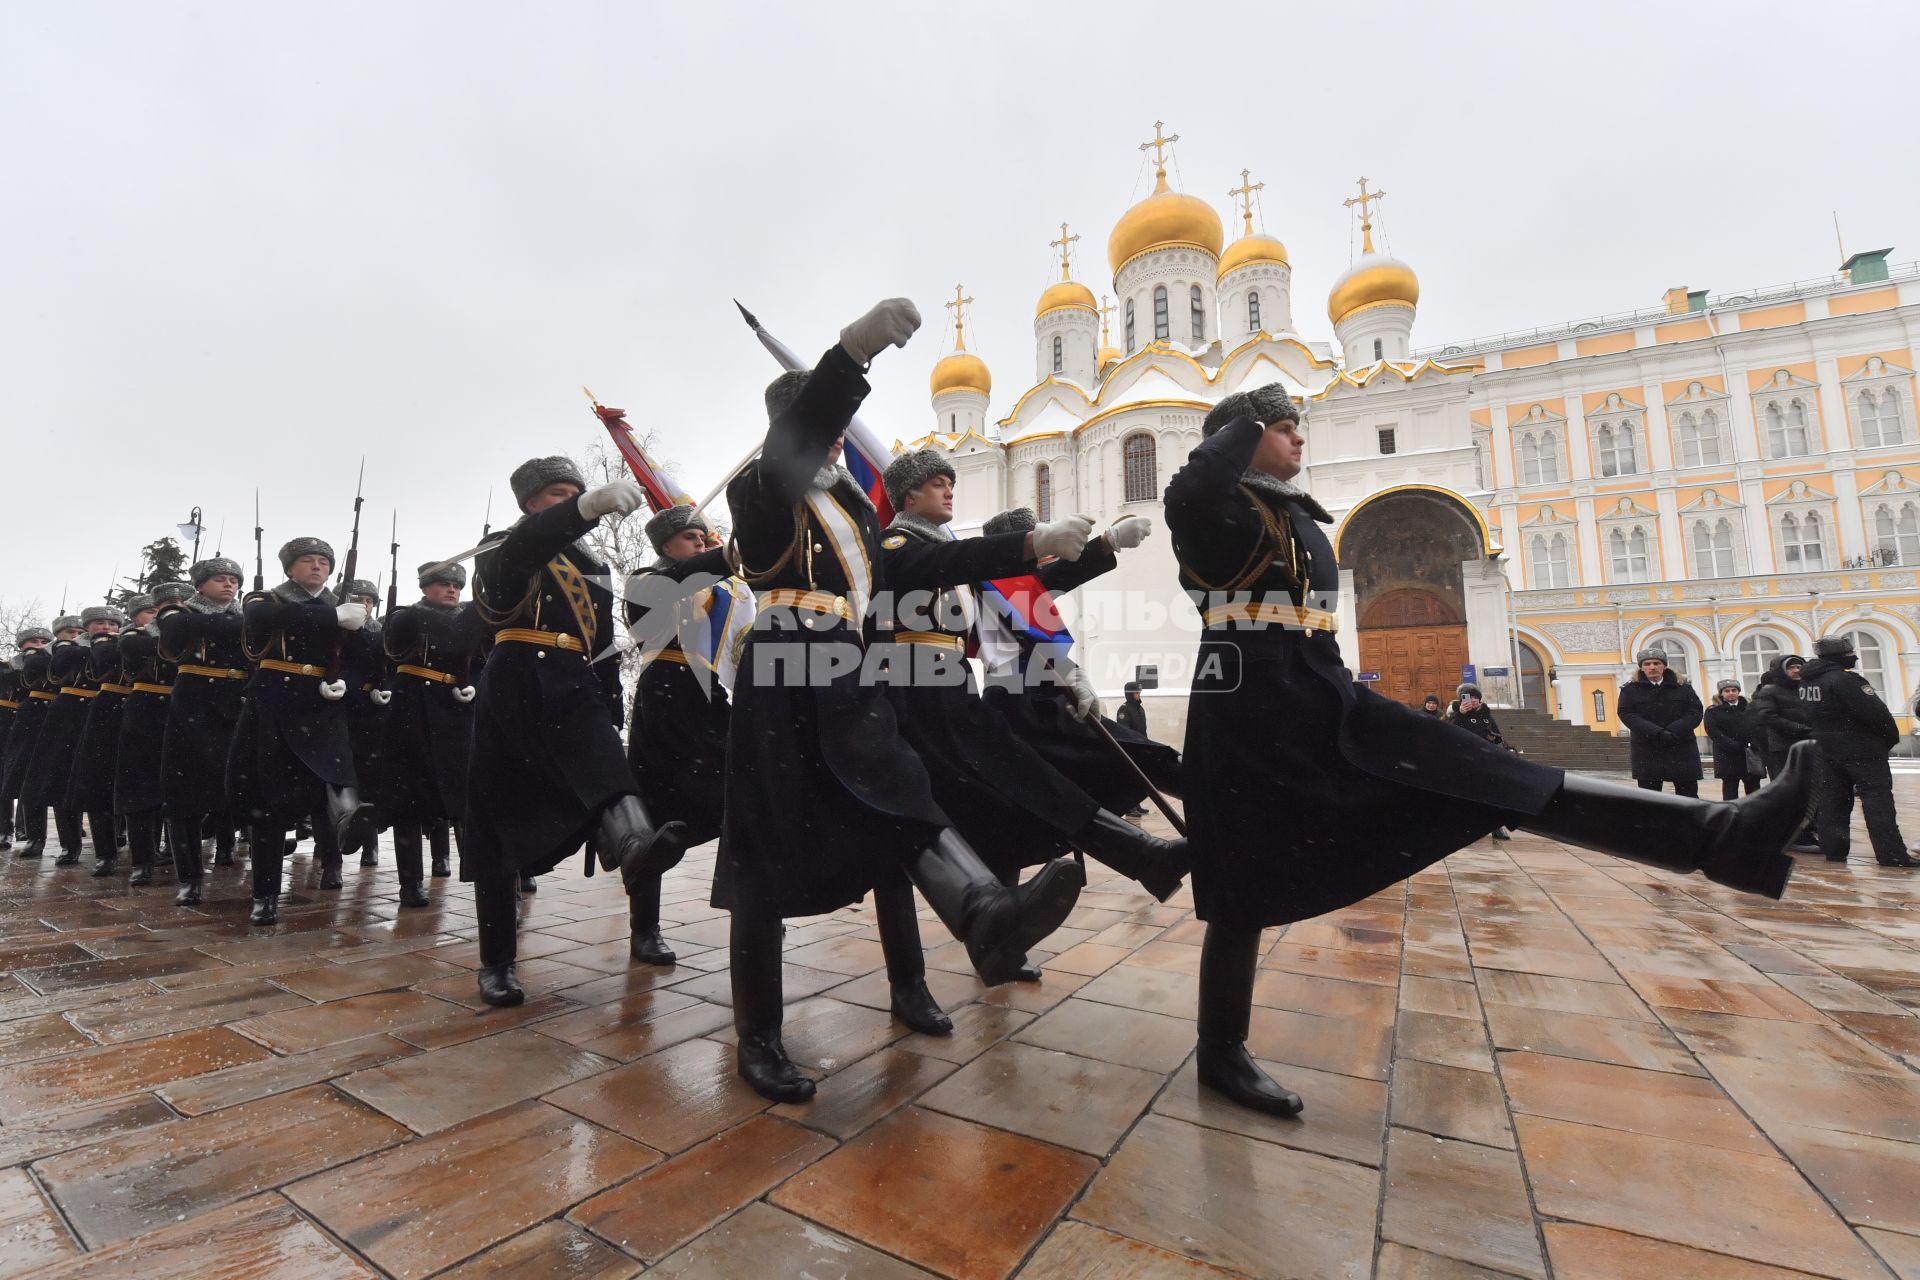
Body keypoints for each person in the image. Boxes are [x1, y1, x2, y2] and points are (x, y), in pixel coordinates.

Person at [1165, 383, 1816, 1119]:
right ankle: (1221, 1051)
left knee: (1493, 773)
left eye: (1295, 426)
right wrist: (1245, 418)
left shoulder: (1293, 514)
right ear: (1243, 439)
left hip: (1324, 691)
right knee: (1240, 883)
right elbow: (1188, 485)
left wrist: (1259, 427)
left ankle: (1720, 837)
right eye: (1283, 429)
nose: (1299, 439)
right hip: (1251, 710)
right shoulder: (1213, 510)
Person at [719, 298, 1084, 1103]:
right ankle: (759, 1036)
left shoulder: (849, 508)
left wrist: (1030, 548)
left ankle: (985, 912)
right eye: (829, 429)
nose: (841, 444)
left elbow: (926, 570)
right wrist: (849, 356)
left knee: (899, 794)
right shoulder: (760, 488)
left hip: (846, 663)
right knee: (765, 856)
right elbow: (805, 427)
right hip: (784, 664)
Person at [871, 449, 1186, 1009]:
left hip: (951, 695)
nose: (950, 492)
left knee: (1016, 797)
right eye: (938, 484)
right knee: (904, 842)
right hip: (908, 694)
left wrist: (1103, 546)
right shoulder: (898, 547)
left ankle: (1136, 859)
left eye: (951, 483)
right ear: (909, 496)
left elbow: (1026, 588)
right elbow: (977, 566)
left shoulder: (948, 555)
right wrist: (1034, 540)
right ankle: (910, 982)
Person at [466, 455, 682, 1007]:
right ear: (531, 502)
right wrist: (583, 510)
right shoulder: (500, 545)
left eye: (576, 490)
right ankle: (496, 961)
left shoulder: (589, 562)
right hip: (515, 680)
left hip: (574, 680)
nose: (570, 497)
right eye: (558, 492)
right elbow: (524, 552)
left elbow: (599, 633)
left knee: (613, 776)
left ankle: (637, 848)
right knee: (500, 822)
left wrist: (610, 697)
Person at [975, 507, 1182, 818]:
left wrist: (1107, 543)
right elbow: (1051, 583)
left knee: (1135, 759)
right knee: (1049, 799)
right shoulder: (995, 586)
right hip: (1019, 703)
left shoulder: (1025, 589)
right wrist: (1107, 542)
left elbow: (1051, 580)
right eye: (1036, 546)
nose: (1042, 560)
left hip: (1042, 698)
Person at [624, 503, 749, 966]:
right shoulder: (647, 581)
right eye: (691, 537)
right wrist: (736, 546)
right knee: (655, 817)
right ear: (665, 546)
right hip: (666, 699)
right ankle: (645, 928)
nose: (702, 543)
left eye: (704, 537)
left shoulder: (721, 589)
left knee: (740, 802)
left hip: (710, 695)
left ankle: (752, 907)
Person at [230, 538, 378, 924]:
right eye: (307, 562)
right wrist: (332, 618)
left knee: (332, 777)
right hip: (275, 702)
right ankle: (265, 894)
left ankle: (345, 828)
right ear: (290, 569)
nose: (317, 568)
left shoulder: (341, 607)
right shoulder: (266, 599)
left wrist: (345, 679)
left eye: (323, 563)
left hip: (323, 706)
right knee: (269, 802)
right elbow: (263, 622)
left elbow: (365, 658)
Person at [380, 561, 485, 908]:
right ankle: (410, 882)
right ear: (425, 588)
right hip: (413, 709)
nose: (452, 590)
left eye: (457, 585)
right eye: (442, 584)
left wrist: (476, 686)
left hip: (457, 710)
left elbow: (489, 658)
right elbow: (400, 635)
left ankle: (482, 873)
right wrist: (475, 614)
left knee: (467, 800)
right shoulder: (407, 616)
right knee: (408, 800)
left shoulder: (469, 618)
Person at [158, 557, 249, 904]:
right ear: (200, 586)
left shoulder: (246, 615)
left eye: (233, 580)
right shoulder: (179, 615)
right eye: (220, 579)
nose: (229, 585)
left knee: (243, 782)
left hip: (239, 700)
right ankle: (190, 878)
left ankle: (246, 845)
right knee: (184, 792)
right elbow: (174, 634)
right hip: (195, 703)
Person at [1799, 634, 1917, 868]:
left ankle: (1834, 849)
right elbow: (1876, 714)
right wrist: (1889, 738)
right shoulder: (1845, 681)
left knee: (1833, 800)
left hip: (1827, 748)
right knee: (1877, 799)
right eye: (1850, 652)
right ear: (1840, 656)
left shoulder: (1808, 682)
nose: (1854, 656)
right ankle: (1891, 854)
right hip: (1861, 749)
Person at [117, 584, 190, 886]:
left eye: (178, 605)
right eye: (155, 609)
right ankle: (141, 860)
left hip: (182, 709)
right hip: (145, 711)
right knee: (139, 789)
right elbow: (146, 649)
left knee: (176, 789)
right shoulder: (133, 638)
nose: (167, 611)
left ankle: (173, 851)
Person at [20, 614, 98, 865]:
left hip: (82, 718)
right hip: (48, 721)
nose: (74, 636)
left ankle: (85, 841)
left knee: (72, 783)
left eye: (78, 631)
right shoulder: (44, 655)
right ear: (58, 634)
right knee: (44, 781)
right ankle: (41, 839)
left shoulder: (95, 648)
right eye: (68, 632)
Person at [66, 604, 132, 876]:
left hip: (126, 714)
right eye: (98, 623)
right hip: (91, 718)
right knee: (96, 785)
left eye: (112, 624)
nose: (106, 628)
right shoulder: (74, 650)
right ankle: (105, 852)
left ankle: (125, 839)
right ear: (86, 627)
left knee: (127, 781)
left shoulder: (132, 641)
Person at [338, 578, 390, 870]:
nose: (365, 605)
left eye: (370, 601)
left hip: (372, 710)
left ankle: (370, 844)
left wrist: (386, 687)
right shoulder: (336, 632)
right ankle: (329, 841)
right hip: (339, 705)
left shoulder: (382, 633)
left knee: (369, 778)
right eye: (358, 600)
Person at [1753, 653, 1821, 855]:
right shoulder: (1770, 692)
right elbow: (1768, 716)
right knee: (1791, 792)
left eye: (1799, 666)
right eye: (1791, 667)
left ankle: (1811, 827)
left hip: (1811, 745)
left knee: (1813, 790)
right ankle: (1795, 834)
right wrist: (1799, 728)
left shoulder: (1808, 690)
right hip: (1784, 748)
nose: (1796, 671)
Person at [1616, 650, 1703, 797]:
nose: (1652, 667)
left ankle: (1687, 821)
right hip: (1648, 748)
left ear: (1664, 666)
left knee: (1688, 797)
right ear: (1641, 667)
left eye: (1657, 663)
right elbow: (1626, 714)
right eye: (1647, 664)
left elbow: (1695, 711)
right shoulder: (1630, 690)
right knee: (1650, 800)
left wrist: (1674, 730)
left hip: (1680, 746)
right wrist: (1656, 732)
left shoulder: (1683, 687)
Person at [2, 627, 55, 857]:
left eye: (44, 641)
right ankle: (6, 829)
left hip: (39, 721)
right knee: (6, 779)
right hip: (8, 725)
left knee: (34, 779)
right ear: (22, 645)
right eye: (33, 641)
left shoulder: (53, 662)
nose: (39, 644)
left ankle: (29, 831)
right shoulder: (9, 667)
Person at [1446, 684, 1512, 840]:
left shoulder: (1486, 716)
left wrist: (1493, 737)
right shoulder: (1455, 715)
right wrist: (1460, 714)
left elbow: (1498, 736)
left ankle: (1496, 827)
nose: (1473, 700)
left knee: (1490, 794)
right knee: (1465, 794)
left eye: (1475, 697)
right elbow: (1449, 732)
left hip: (1485, 760)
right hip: (1463, 760)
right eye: (1469, 697)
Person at [1704, 678, 1763, 801]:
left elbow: (1758, 726)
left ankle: (1755, 815)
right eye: (1727, 691)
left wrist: (1754, 742)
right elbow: (1713, 731)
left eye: (1734, 690)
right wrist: (1731, 744)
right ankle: (1730, 815)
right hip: (1727, 755)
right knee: (1730, 789)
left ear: (1738, 691)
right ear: (1721, 693)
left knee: (1754, 790)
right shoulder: (1713, 711)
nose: (1731, 693)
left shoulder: (1750, 708)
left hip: (1749, 754)